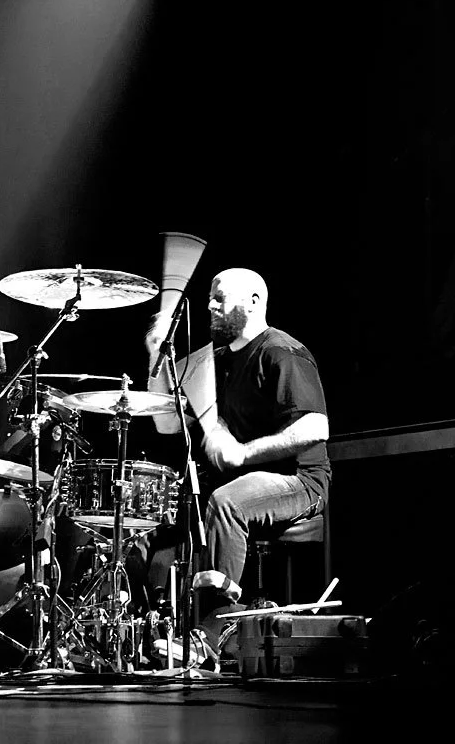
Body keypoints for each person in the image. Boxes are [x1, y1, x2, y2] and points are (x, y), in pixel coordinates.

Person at [141, 267, 331, 655]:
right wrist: (156, 354)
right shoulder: (216, 361)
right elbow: (165, 422)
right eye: (210, 298)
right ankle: (146, 630)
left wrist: (243, 452)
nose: (211, 306)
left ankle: (213, 633)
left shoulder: (281, 351)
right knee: (150, 522)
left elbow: (316, 428)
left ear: (254, 302)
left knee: (227, 502)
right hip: (240, 482)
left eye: (220, 298)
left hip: (299, 481)